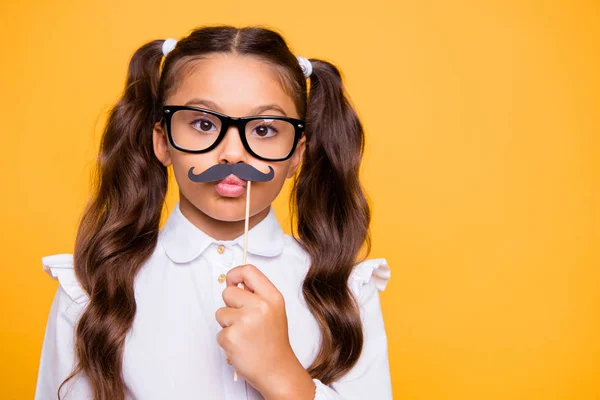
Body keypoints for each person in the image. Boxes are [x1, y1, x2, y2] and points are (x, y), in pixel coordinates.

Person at [35, 25, 392, 400]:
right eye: (204, 124)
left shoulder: (347, 291)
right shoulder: (91, 288)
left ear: (297, 155)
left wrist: (282, 374)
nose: (233, 154)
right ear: (163, 141)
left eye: (265, 130)